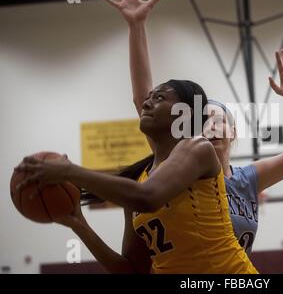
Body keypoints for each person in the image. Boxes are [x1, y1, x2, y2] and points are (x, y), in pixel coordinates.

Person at [99, 0, 283, 255]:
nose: (212, 125)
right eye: (204, 119)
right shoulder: (178, 165)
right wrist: (137, 26)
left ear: (233, 132)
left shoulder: (248, 179)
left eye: (219, 119)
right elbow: (143, 96)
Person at [15, 77, 258, 274]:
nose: (146, 103)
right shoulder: (138, 180)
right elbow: (132, 270)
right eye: (148, 98)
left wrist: (70, 170)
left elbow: (148, 198)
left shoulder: (198, 148)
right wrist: (79, 224)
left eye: (160, 97)